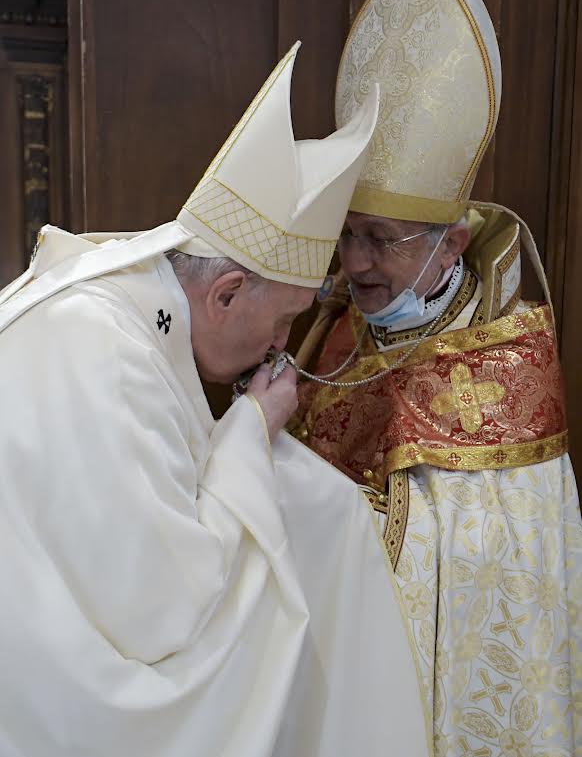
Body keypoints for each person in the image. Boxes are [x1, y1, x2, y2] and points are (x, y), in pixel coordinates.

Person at [0, 43, 430, 757]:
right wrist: (251, 430)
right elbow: (164, 611)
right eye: (283, 321)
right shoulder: (106, 350)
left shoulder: (116, 309)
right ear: (226, 294)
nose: (281, 345)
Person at [292, 0, 582, 756]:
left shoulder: (507, 372)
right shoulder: (336, 324)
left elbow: (499, 586)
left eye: (379, 240)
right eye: (346, 232)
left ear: (450, 243)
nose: (354, 264)